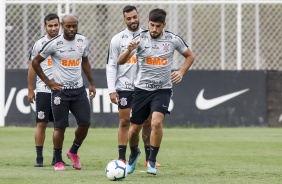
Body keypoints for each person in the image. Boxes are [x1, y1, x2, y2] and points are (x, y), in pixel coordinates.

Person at [118, 8, 195, 175]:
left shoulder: (173, 39)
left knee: (156, 123)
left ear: (164, 25)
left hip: (162, 90)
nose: (154, 29)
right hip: (141, 90)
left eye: (158, 26)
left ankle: (151, 160)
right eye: (152, 25)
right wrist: (128, 50)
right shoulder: (139, 39)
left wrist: (181, 72)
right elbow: (120, 61)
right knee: (133, 131)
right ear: (148, 23)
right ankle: (134, 154)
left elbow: (190, 56)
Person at [31, 14, 96, 171]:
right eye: (68, 26)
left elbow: (85, 61)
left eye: (74, 26)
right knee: (60, 127)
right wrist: (48, 82)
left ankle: (73, 151)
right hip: (61, 92)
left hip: (79, 91)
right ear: (62, 25)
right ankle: (58, 160)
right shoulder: (54, 43)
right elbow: (35, 62)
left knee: (85, 122)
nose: (72, 29)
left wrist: (91, 83)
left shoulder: (82, 41)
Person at [106, 5, 160, 167]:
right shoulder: (117, 39)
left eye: (134, 17)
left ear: (139, 17)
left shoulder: (148, 36)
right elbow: (111, 66)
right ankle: (122, 157)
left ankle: (148, 158)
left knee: (147, 122)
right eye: (128, 18)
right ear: (124, 19)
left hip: (145, 87)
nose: (132, 21)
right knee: (125, 122)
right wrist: (111, 90)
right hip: (125, 87)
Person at [28, 13, 69, 167]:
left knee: (59, 125)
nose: (53, 28)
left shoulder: (66, 43)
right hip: (44, 90)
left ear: (60, 25)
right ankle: (39, 158)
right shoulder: (39, 44)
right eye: (50, 25)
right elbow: (33, 66)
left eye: (55, 25)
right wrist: (30, 88)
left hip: (60, 91)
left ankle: (56, 158)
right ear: (45, 26)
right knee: (41, 123)